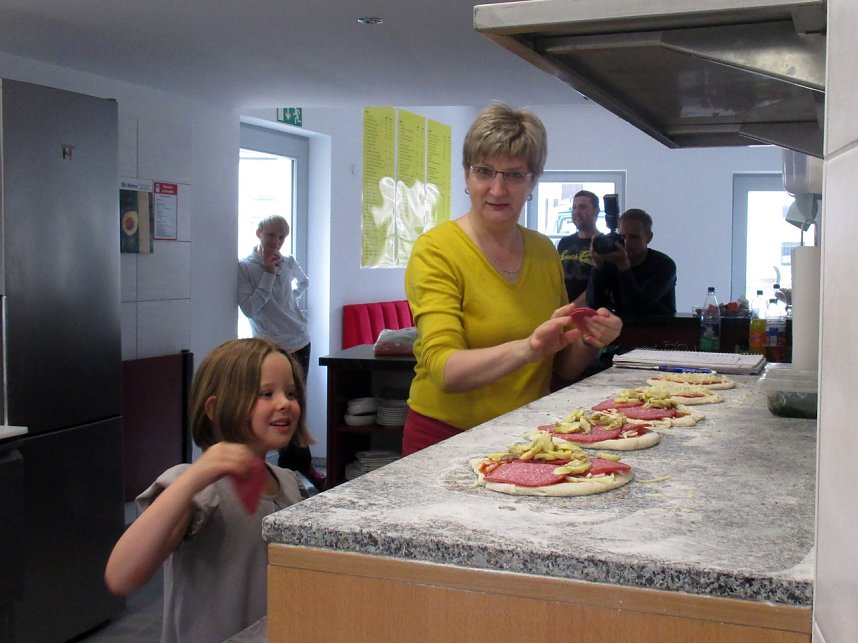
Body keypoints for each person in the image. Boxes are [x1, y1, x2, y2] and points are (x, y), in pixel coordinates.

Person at [402, 103, 622, 456]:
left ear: (533, 181)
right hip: (445, 439)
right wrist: (528, 348)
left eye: (515, 175)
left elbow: (560, 367)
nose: (498, 189)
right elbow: (445, 369)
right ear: (466, 174)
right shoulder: (436, 250)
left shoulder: (542, 251)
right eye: (484, 171)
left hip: (526, 437)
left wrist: (590, 338)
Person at [104, 337, 309, 643]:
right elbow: (121, 575)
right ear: (215, 408)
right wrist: (193, 478)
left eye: (290, 393)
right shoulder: (197, 489)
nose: (284, 403)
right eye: (266, 393)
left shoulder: (290, 485)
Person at [238, 215, 325, 490]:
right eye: (271, 235)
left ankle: (294, 471)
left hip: (299, 341)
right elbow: (250, 309)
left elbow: (304, 282)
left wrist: (295, 306)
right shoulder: (246, 267)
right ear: (259, 233)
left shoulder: (287, 262)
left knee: (296, 407)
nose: (276, 242)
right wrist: (267, 275)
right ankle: (290, 472)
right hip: (271, 347)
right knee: (277, 410)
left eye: (281, 237)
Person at [587, 208, 677, 314]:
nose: (627, 242)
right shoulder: (612, 263)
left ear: (649, 237)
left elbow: (638, 307)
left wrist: (624, 267)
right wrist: (597, 266)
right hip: (620, 328)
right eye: (622, 236)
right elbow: (594, 305)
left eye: (634, 237)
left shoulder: (664, 265)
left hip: (660, 328)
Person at [557, 190, 600, 305]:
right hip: (562, 311)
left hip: (589, 313)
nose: (577, 212)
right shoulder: (565, 242)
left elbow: (600, 283)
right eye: (574, 207)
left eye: (582, 207)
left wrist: (572, 308)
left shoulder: (602, 243)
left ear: (596, 211)